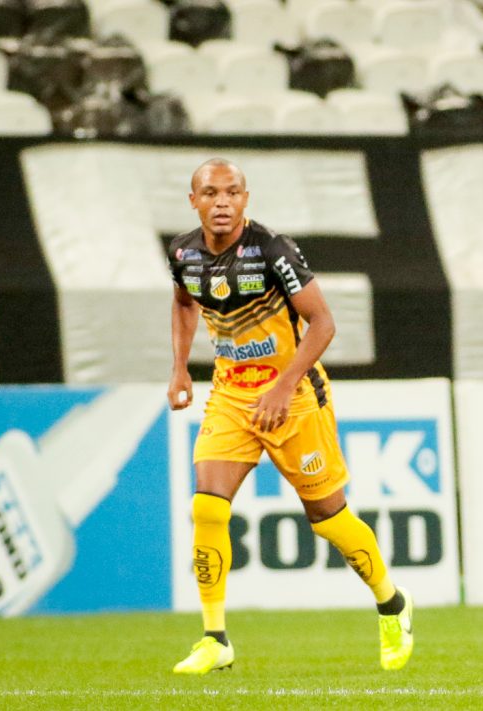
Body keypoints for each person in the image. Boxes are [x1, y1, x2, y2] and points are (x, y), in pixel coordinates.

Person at [166, 158, 413, 675]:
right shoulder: (184, 252)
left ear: (245, 198)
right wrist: (180, 369)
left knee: (329, 518)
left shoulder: (272, 249)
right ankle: (215, 637)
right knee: (208, 508)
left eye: (232, 192)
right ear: (194, 201)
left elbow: (322, 323)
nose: (222, 202)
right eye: (210, 193)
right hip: (232, 395)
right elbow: (186, 303)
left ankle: (392, 604)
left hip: (295, 398)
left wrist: (284, 384)